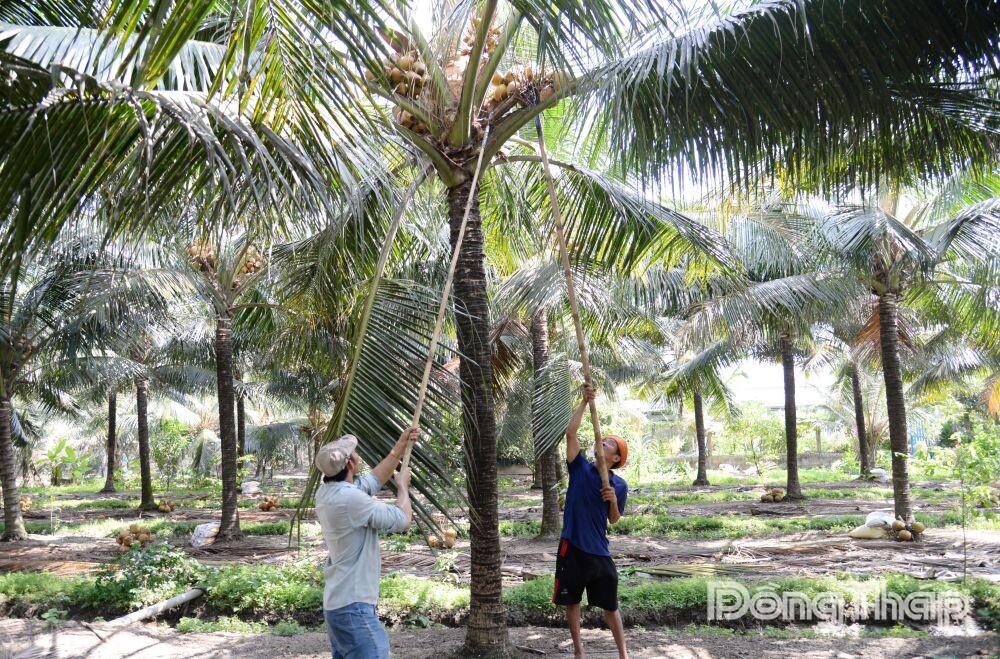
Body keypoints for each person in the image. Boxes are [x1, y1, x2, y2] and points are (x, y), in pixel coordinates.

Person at [315, 427, 419, 659]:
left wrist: (400, 446)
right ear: (350, 464)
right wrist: (402, 486)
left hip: (338, 607)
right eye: (354, 452)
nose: (358, 454)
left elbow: (373, 480)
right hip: (354, 608)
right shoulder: (350, 499)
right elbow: (403, 520)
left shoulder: (327, 493)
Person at [553, 385, 629, 659]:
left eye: (608, 444)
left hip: (599, 552)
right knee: (572, 601)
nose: (602, 442)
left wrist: (612, 500)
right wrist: (585, 401)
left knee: (611, 606)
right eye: (603, 440)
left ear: (616, 458)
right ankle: (579, 652)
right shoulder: (580, 467)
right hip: (572, 546)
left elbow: (614, 520)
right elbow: (570, 434)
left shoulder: (619, 485)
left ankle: (623, 654)